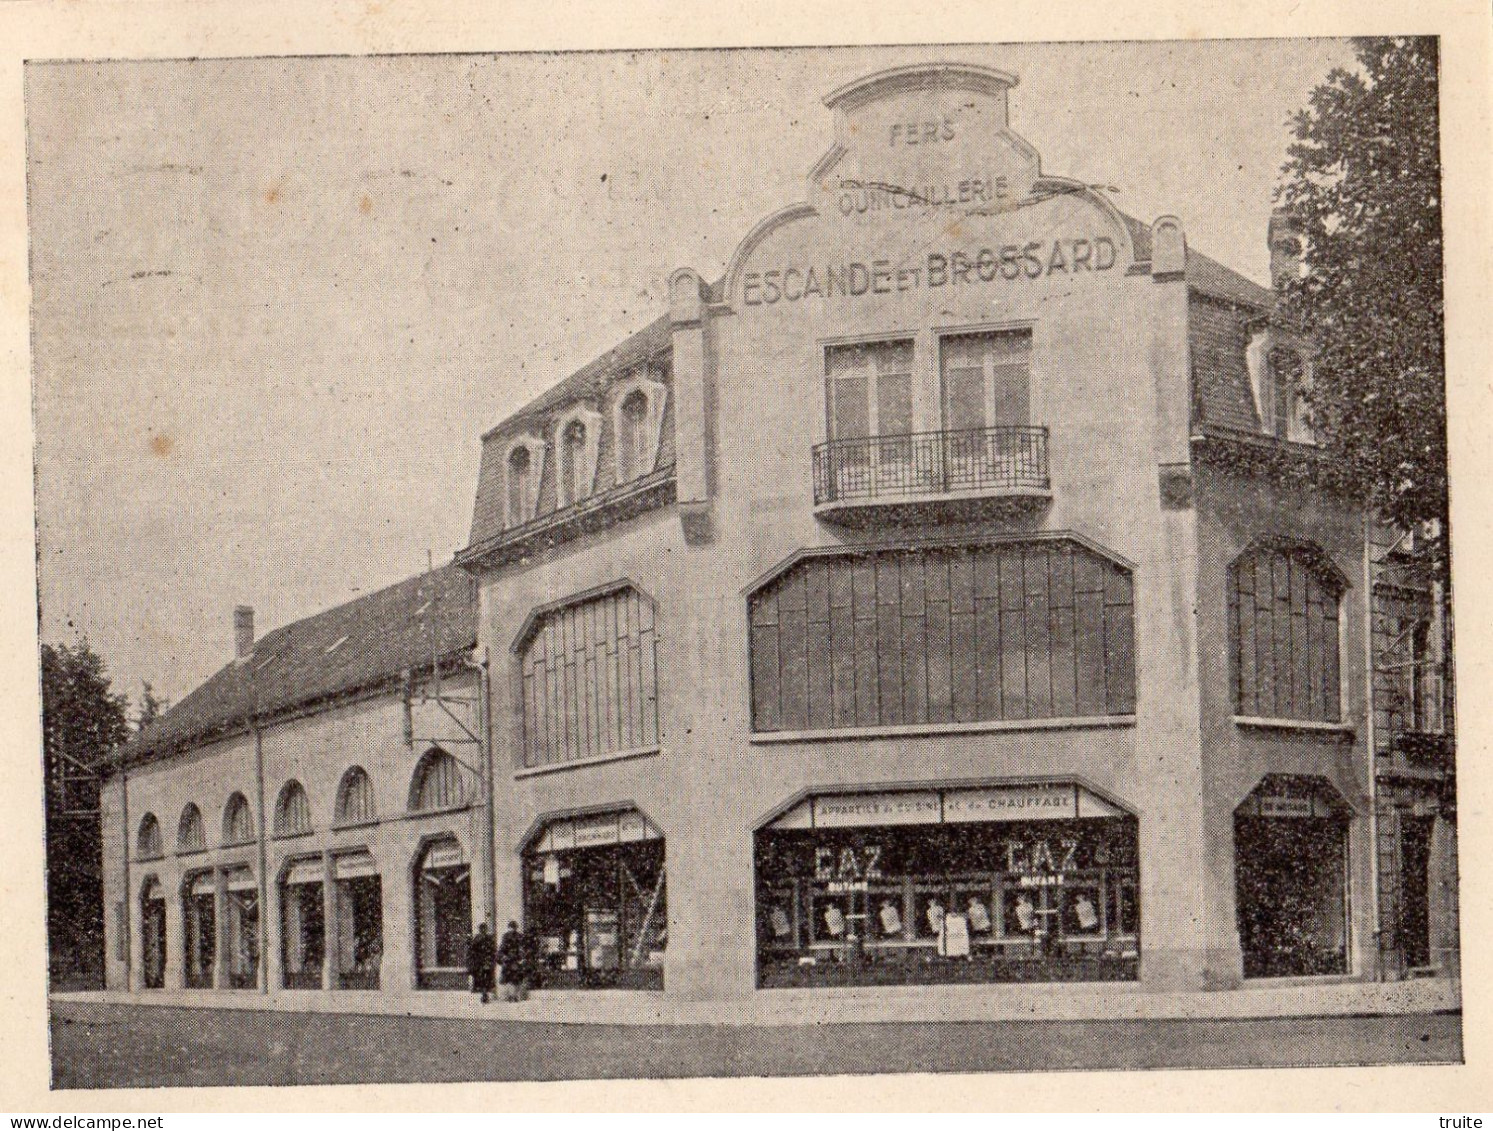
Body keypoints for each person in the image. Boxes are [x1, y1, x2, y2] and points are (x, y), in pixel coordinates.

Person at [497, 919, 528, 1002]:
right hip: (508, 959)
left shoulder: (520, 936)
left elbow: (522, 948)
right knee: (508, 979)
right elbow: (502, 948)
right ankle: (510, 996)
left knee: (517, 979)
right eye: (511, 927)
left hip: (517, 959)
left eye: (514, 927)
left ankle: (515, 996)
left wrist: (522, 958)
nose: (512, 929)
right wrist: (503, 956)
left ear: (516, 928)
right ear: (509, 928)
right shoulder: (505, 936)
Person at [468, 922, 496, 1003]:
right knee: (483, 979)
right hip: (481, 962)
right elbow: (472, 950)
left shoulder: (486, 938)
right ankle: (484, 994)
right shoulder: (478, 938)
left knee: (486, 979)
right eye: (482, 929)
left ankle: (485, 994)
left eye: (484, 928)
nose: (483, 930)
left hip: (485, 962)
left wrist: (491, 959)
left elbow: (493, 950)